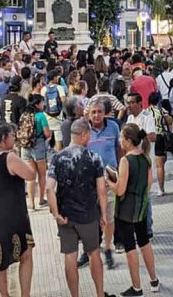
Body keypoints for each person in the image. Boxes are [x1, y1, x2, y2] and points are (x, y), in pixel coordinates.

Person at [47, 120, 115, 297]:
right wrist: (103, 215)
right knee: (93, 253)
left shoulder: (57, 157)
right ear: (84, 134)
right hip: (88, 215)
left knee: (70, 256)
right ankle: (99, 293)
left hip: (66, 215)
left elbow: (49, 188)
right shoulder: (94, 157)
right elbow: (101, 189)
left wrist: (56, 214)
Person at [0, 124, 35, 297]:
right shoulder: (9, 157)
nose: (15, 137)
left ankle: (5, 295)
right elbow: (31, 174)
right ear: (4, 138)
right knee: (25, 253)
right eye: (12, 134)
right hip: (11, 210)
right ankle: (25, 295)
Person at [107, 124, 160, 296]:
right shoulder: (146, 158)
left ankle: (136, 287)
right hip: (141, 208)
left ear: (129, 141)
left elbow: (120, 189)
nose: (120, 141)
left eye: (122, 138)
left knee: (130, 247)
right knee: (145, 242)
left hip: (125, 211)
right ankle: (154, 280)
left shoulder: (125, 160)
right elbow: (149, 183)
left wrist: (109, 182)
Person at [78, 100, 121, 270]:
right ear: (88, 114)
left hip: (109, 178)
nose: (96, 115)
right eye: (93, 112)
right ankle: (88, 250)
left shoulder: (113, 128)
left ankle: (108, 247)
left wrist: (121, 169)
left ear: (105, 113)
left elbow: (118, 149)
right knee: (89, 217)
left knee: (109, 216)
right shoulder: (84, 129)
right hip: (89, 181)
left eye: (99, 112)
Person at [21, 95, 51, 210]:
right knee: (42, 174)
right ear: (37, 104)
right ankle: (41, 200)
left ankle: (31, 203)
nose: (44, 105)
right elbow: (47, 134)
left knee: (30, 176)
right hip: (38, 145)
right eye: (42, 103)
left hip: (25, 146)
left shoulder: (25, 115)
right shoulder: (41, 116)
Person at [146, 92, 173, 196]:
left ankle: (148, 188)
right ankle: (161, 189)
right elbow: (170, 121)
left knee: (150, 164)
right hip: (160, 137)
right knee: (160, 165)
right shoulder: (162, 111)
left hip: (149, 137)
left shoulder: (146, 112)